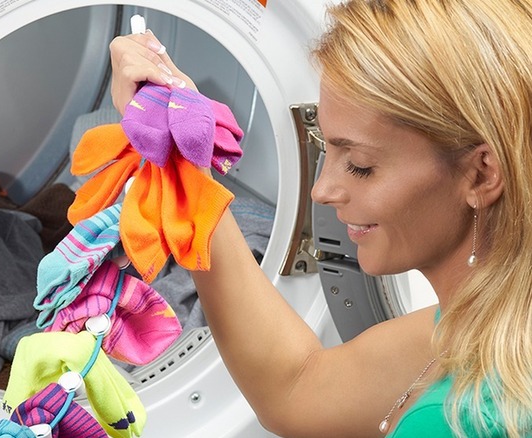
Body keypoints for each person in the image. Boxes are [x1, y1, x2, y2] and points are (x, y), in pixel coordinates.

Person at [108, 1, 532, 437]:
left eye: (361, 165)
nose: (321, 191)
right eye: (326, 148)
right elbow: (299, 388)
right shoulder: (492, 317)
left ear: (482, 173)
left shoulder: (461, 419)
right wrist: (183, 163)